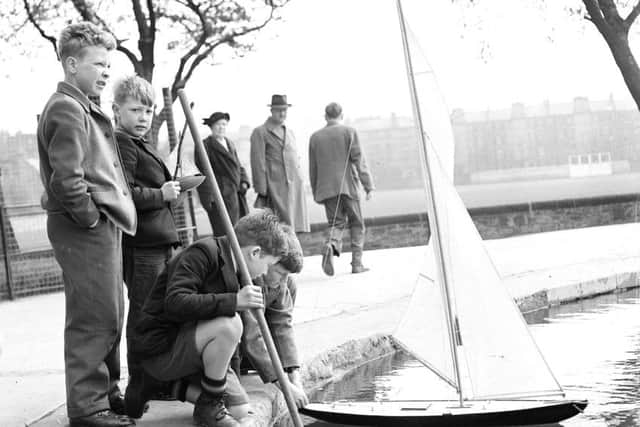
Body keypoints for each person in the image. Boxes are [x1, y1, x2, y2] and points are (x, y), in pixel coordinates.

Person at [37, 22, 137, 427]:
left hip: (102, 225)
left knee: (111, 312)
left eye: (108, 64)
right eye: (99, 64)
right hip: (84, 227)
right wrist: (91, 217)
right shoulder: (65, 107)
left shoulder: (84, 106)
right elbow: (67, 177)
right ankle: (87, 407)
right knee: (92, 316)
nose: (106, 72)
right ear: (72, 64)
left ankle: (106, 393)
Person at [125, 210, 291, 427]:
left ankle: (164, 387)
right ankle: (206, 406)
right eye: (268, 264)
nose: (264, 272)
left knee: (240, 409)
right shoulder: (202, 253)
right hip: (161, 349)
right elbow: (175, 302)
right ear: (255, 252)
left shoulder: (240, 270)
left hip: (195, 348)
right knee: (229, 326)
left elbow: (235, 344)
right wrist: (234, 301)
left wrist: (232, 385)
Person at [112, 75, 182, 385]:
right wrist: (161, 194)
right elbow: (123, 193)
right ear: (117, 111)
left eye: (149, 111)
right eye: (135, 110)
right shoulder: (123, 142)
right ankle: (139, 384)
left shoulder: (139, 143)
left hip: (157, 242)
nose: (143, 118)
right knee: (143, 314)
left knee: (158, 312)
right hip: (143, 247)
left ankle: (156, 379)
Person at [309, 102, 375, 275]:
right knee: (357, 223)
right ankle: (357, 264)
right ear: (342, 115)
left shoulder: (315, 137)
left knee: (336, 223)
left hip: (326, 189)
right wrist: (368, 185)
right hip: (349, 186)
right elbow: (359, 161)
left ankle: (330, 245)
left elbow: (313, 168)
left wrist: (317, 191)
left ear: (325, 116)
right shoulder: (349, 132)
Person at [250, 94, 309, 233]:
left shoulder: (290, 132)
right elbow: (257, 162)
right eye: (278, 110)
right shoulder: (260, 132)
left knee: (293, 227)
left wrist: (300, 179)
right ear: (271, 111)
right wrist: (262, 190)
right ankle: (287, 254)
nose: (282, 113)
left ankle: (292, 253)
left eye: (284, 110)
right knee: (280, 227)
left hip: (294, 185)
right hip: (275, 186)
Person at [195, 112, 250, 236]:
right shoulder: (205, 146)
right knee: (224, 233)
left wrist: (244, 181)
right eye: (218, 124)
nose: (221, 127)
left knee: (240, 231)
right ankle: (226, 255)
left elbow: (238, 165)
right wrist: (209, 198)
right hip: (220, 194)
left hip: (236, 193)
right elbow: (203, 171)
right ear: (211, 127)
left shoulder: (230, 143)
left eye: (224, 124)